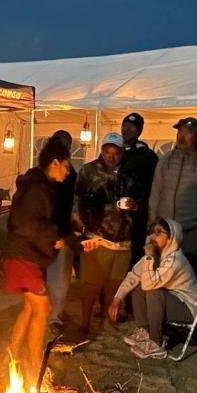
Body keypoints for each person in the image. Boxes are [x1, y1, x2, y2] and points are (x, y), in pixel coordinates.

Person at [3, 139, 79, 392]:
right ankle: (34, 364)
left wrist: (57, 237)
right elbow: (24, 222)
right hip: (24, 256)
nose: (67, 172)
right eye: (66, 166)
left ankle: (12, 356)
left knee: (29, 309)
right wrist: (53, 236)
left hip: (24, 254)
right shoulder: (37, 187)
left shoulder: (39, 185)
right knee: (43, 308)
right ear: (54, 162)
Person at [109, 218, 197, 359]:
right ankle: (144, 331)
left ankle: (156, 342)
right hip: (173, 300)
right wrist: (117, 298)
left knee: (152, 291)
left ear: (171, 237)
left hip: (192, 310)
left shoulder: (175, 260)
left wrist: (148, 257)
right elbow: (134, 276)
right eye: (152, 233)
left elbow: (149, 285)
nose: (153, 237)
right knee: (139, 286)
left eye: (159, 233)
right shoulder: (158, 253)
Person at [72, 132, 135, 336]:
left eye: (116, 153)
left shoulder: (129, 174)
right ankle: (84, 322)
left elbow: (141, 200)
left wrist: (135, 206)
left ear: (122, 153)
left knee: (115, 285)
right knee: (90, 284)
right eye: (108, 152)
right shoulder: (89, 171)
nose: (112, 157)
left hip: (123, 239)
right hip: (97, 237)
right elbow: (77, 203)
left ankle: (108, 322)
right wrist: (81, 232)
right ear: (102, 151)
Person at [148, 117, 197, 277]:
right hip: (164, 231)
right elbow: (156, 191)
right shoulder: (166, 160)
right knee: (159, 273)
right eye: (179, 133)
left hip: (192, 232)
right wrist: (153, 221)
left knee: (187, 274)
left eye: (187, 133)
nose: (181, 137)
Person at [46, 129, 78, 334]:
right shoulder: (42, 170)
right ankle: (46, 310)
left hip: (62, 229)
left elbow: (71, 202)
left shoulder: (70, 172)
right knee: (46, 273)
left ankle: (55, 315)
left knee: (60, 275)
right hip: (44, 230)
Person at [119, 112, 160, 265]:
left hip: (136, 216)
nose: (126, 130)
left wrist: (141, 206)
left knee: (133, 254)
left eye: (131, 127)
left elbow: (153, 186)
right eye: (124, 126)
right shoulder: (115, 152)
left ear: (139, 131)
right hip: (114, 216)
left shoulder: (147, 157)